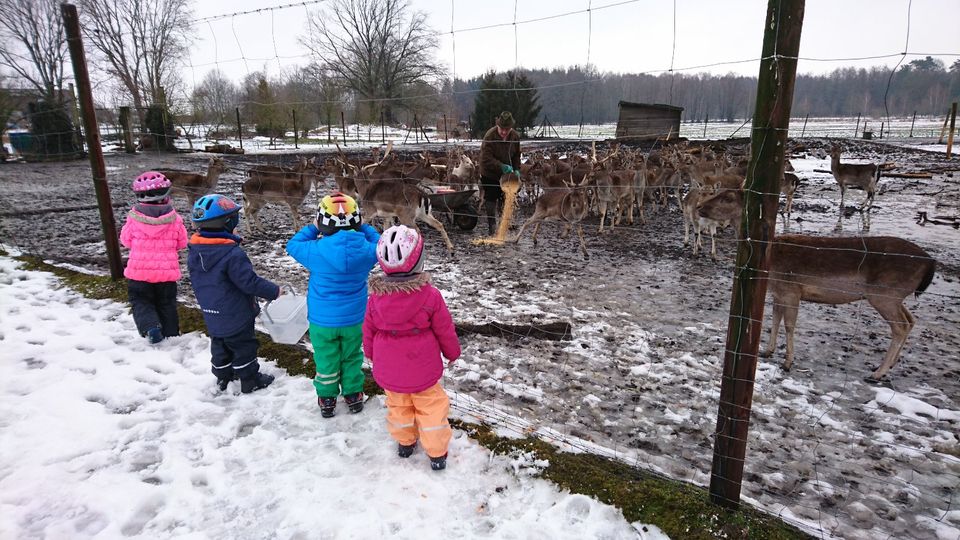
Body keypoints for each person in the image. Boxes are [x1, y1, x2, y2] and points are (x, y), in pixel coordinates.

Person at [363, 225, 461, 471]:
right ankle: (437, 453)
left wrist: (371, 354)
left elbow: (368, 330)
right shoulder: (431, 296)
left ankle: (405, 443)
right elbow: (444, 329)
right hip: (422, 370)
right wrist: (452, 352)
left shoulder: (375, 298)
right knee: (431, 408)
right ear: (420, 260)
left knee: (398, 405)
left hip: (389, 369)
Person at [286, 192, 380, 418]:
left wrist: (313, 227)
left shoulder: (315, 251)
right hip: (354, 319)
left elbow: (293, 244)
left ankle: (327, 398)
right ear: (357, 222)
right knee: (351, 356)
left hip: (322, 320)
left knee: (326, 358)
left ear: (322, 223)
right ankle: (353, 394)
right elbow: (380, 242)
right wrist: (364, 228)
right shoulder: (368, 251)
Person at [187, 194, 280, 394]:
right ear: (228, 222)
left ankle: (223, 376)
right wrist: (274, 291)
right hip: (236, 312)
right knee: (243, 344)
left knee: (219, 342)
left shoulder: (195, 250)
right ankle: (249, 379)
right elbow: (249, 282)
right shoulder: (232, 254)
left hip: (210, 310)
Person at [120, 171, 188, 344]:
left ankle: (151, 327)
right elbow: (182, 242)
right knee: (167, 303)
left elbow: (125, 240)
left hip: (139, 273)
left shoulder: (133, 218)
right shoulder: (175, 219)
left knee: (141, 301)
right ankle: (171, 334)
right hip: (166, 274)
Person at [479, 111, 522, 235]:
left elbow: (516, 155)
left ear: (511, 128)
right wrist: (501, 166)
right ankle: (492, 225)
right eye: (502, 129)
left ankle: (504, 223)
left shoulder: (514, 137)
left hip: (507, 174)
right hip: (490, 172)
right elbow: (486, 159)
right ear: (498, 125)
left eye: (507, 129)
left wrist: (517, 169)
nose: (504, 132)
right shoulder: (490, 136)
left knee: (506, 197)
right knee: (491, 196)